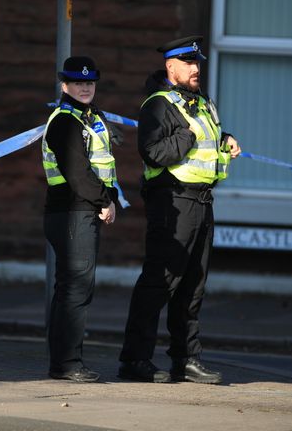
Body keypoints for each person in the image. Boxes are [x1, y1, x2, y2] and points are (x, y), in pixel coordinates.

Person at [118, 35, 241, 384]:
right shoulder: (158, 104)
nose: (195, 68)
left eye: (197, 63)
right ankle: (134, 360)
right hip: (172, 202)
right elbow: (153, 152)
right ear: (171, 67)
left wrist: (225, 138)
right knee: (159, 282)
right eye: (189, 63)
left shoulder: (201, 103)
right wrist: (186, 138)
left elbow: (205, 136)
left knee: (193, 286)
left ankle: (185, 360)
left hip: (201, 202)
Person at [42, 56, 119, 382]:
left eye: (89, 82)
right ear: (65, 85)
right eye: (77, 82)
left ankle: (63, 361)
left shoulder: (85, 117)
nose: (85, 87)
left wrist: (108, 197)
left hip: (75, 211)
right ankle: (68, 363)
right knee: (75, 290)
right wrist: (105, 201)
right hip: (73, 212)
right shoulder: (66, 121)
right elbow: (77, 171)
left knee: (70, 289)